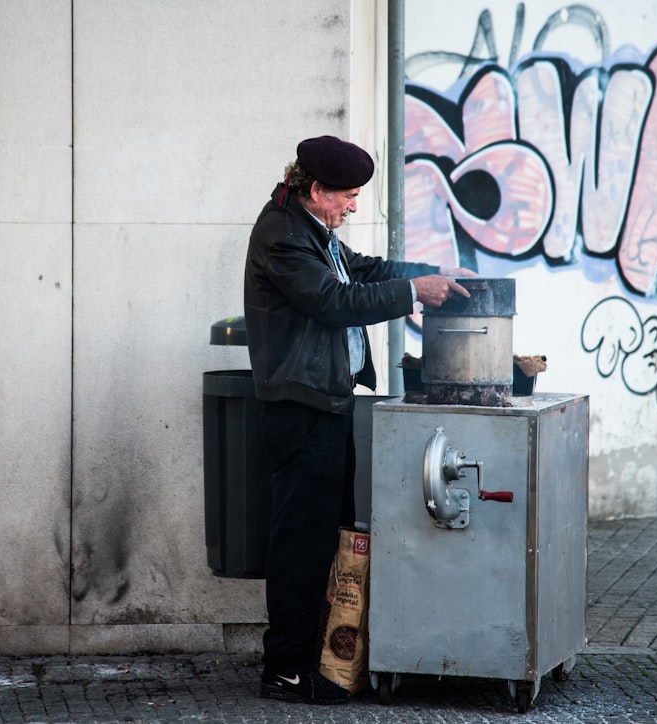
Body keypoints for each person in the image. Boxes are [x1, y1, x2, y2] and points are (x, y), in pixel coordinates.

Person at [243, 134, 475, 705]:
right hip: (300, 412)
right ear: (315, 189)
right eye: (347, 196)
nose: (352, 206)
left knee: (327, 536)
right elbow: (334, 302)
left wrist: (429, 273)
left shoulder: (312, 229)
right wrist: (412, 292)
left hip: (325, 406)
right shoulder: (281, 236)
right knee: (299, 545)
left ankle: (320, 659)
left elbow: (362, 271)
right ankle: (285, 670)